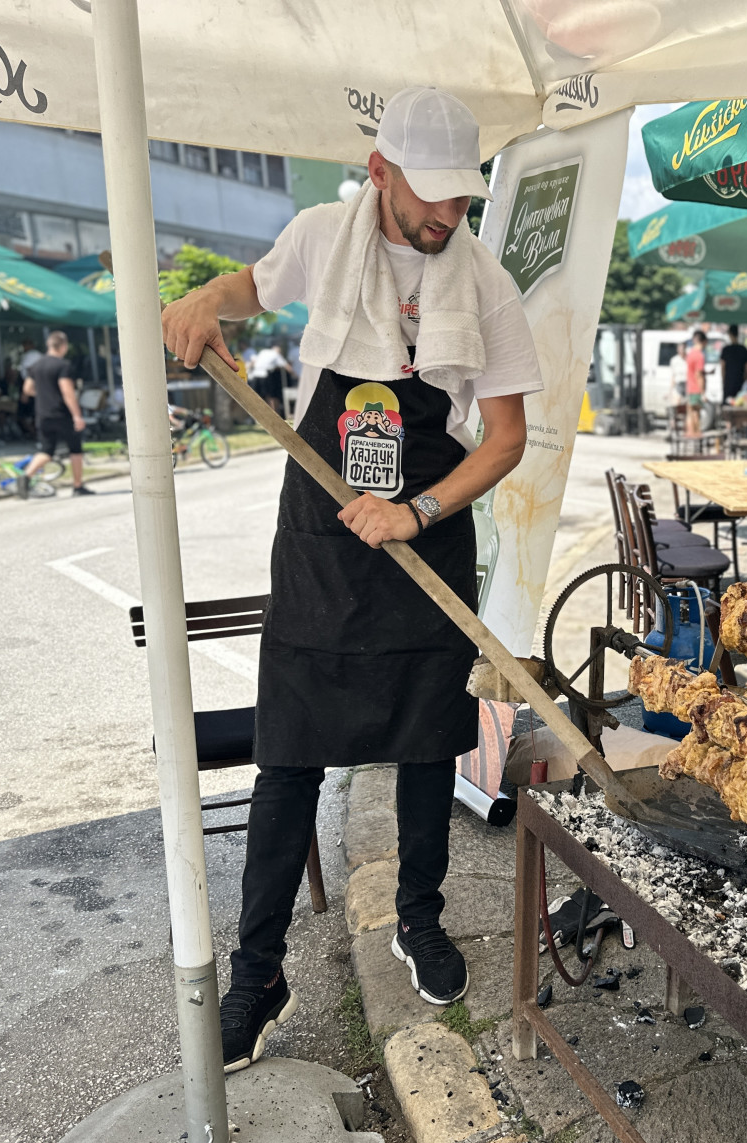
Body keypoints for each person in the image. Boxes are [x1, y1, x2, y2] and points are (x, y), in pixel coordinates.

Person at [161, 85, 540, 1071]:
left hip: (428, 528)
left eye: (462, 199)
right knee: (289, 755)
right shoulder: (322, 235)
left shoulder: (484, 282)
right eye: (431, 196)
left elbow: (504, 438)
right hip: (324, 534)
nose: (446, 217)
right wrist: (200, 301)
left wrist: (416, 509)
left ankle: (418, 919)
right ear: (380, 170)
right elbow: (246, 288)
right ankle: (257, 973)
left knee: (425, 742)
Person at [20, 332, 92, 494]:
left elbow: (27, 389)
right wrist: (77, 416)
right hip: (62, 414)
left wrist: (44, 394)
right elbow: (68, 393)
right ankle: (78, 485)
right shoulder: (62, 366)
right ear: (64, 346)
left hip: (43, 413)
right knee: (75, 450)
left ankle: (26, 477)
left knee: (46, 450)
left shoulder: (36, 366)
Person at [248, 340, 294, 416]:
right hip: (265, 376)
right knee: (270, 396)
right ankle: (273, 414)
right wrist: (295, 375)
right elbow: (287, 367)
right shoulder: (276, 354)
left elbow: (255, 362)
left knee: (257, 396)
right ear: (277, 348)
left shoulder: (263, 352)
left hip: (255, 375)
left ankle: (259, 414)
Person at [718, 324, 747, 401]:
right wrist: (744, 378)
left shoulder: (726, 350)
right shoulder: (743, 349)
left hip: (728, 381)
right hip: (740, 381)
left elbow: (723, 366)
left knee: (727, 403)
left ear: (729, 334)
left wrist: (723, 380)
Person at [683, 329, 707, 437]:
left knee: (690, 412)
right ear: (704, 341)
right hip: (696, 388)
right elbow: (698, 375)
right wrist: (702, 392)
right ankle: (696, 434)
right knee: (696, 412)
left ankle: (689, 432)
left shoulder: (690, 353)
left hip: (689, 387)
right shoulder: (699, 355)